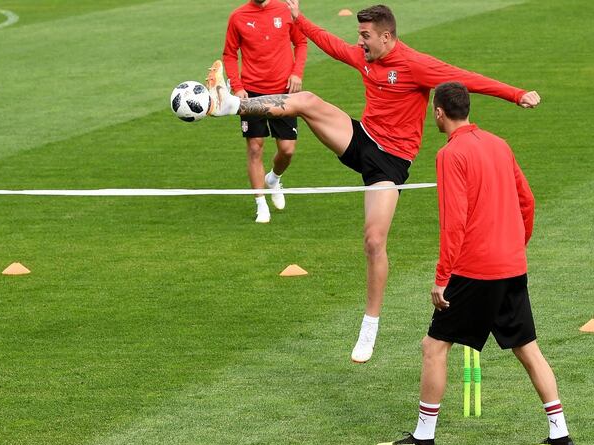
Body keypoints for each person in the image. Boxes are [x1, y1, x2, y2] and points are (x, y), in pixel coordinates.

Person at [204, 2, 541, 363]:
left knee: (373, 239)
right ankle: (229, 106)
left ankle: (370, 325)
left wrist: (516, 94)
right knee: (306, 100)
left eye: (365, 36)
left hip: (391, 163)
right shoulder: (366, 57)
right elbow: (329, 43)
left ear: (386, 35)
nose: (360, 42)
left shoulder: (415, 64)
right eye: (359, 35)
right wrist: (299, 19)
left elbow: (466, 79)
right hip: (360, 139)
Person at [375, 82, 574, 445]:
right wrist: (515, 246)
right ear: (467, 109)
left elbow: (455, 221)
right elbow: (526, 200)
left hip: (474, 270)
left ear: (438, 112)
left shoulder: (451, 155)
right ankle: (560, 435)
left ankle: (423, 439)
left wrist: (441, 278)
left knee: (434, 346)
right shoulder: (499, 144)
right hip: (511, 264)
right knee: (528, 349)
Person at [222, 0, 307, 223]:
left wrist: (297, 73)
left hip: (283, 91)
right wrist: (238, 87)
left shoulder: (285, 9)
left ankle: (274, 178)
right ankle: (261, 204)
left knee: (287, 150)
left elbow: (301, 42)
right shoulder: (238, 16)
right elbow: (229, 54)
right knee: (254, 147)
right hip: (251, 93)